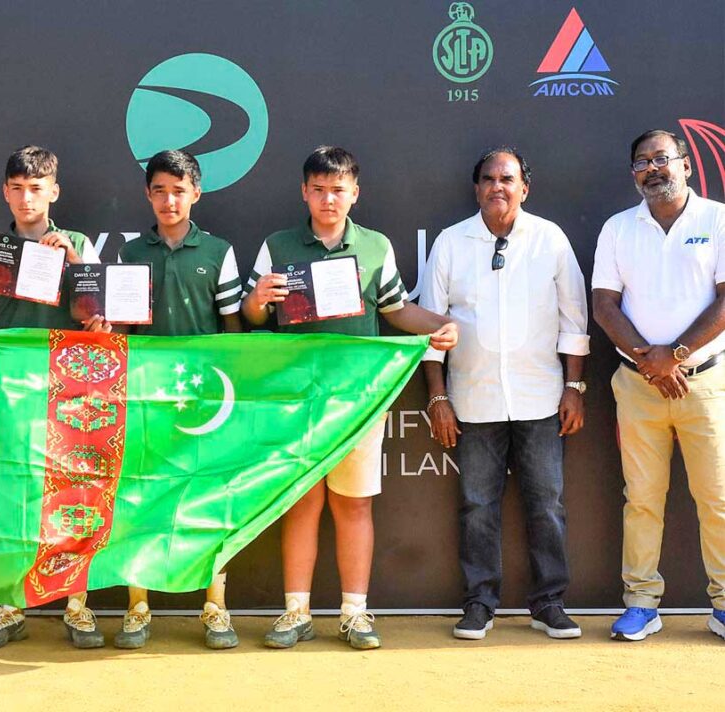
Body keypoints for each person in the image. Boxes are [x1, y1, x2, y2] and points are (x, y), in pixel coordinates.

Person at [241, 146, 458, 649]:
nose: (328, 199)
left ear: (355, 193)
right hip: (295, 400)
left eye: (338, 190)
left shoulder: (376, 246)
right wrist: (257, 299)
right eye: (318, 189)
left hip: (358, 400)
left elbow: (397, 310)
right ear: (304, 192)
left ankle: (355, 614)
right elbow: (252, 319)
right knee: (300, 505)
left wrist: (440, 325)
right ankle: (295, 612)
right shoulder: (277, 246)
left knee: (354, 506)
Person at [421, 147, 589, 641]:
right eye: (489, 179)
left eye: (508, 178)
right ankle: (479, 603)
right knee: (477, 506)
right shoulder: (451, 243)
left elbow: (574, 320)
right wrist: (437, 397)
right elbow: (430, 328)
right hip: (473, 400)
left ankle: (549, 603)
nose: (498, 186)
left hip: (541, 397)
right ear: (477, 189)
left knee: (547, 504)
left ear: (524, 188)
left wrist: (574, 386)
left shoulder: (550, 239)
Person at [85, 149, 243, 650]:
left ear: (196, 193)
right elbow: (122, 332)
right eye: (159, 191)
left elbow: (234, 330)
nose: (169, 201)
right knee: (141, 500)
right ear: (147, 194)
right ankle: (137, 607)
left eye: (179, 191)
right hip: (145, 398)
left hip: (206, 402)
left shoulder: (219, 252)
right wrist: (106, 329)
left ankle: (215, 607)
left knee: (209, 504)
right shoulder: (130, 255)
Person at [0, 145, 103, 649]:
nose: (27, 198)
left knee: (76, 493)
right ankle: (10, 604)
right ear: (5, 192)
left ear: (53, 192)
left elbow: (100, 317)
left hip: (75, 387)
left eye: (36, 188)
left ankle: (77, 604)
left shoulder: (78, 243)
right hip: (14, 390)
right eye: (18, 188)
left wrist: (75, 264)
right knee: (15, 492)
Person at [591, 129, 725, 642]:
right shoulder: (618, 228)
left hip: (706, 384)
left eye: (661, 158)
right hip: (639, 385)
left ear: (685, 165)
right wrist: (653, 363)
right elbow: (604, 305)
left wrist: (677, 355)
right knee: (643, 499)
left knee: (717, 497)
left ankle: (722, 603)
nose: (652, 169)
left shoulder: (716, 219)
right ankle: (642, 603)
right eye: (642, 162)